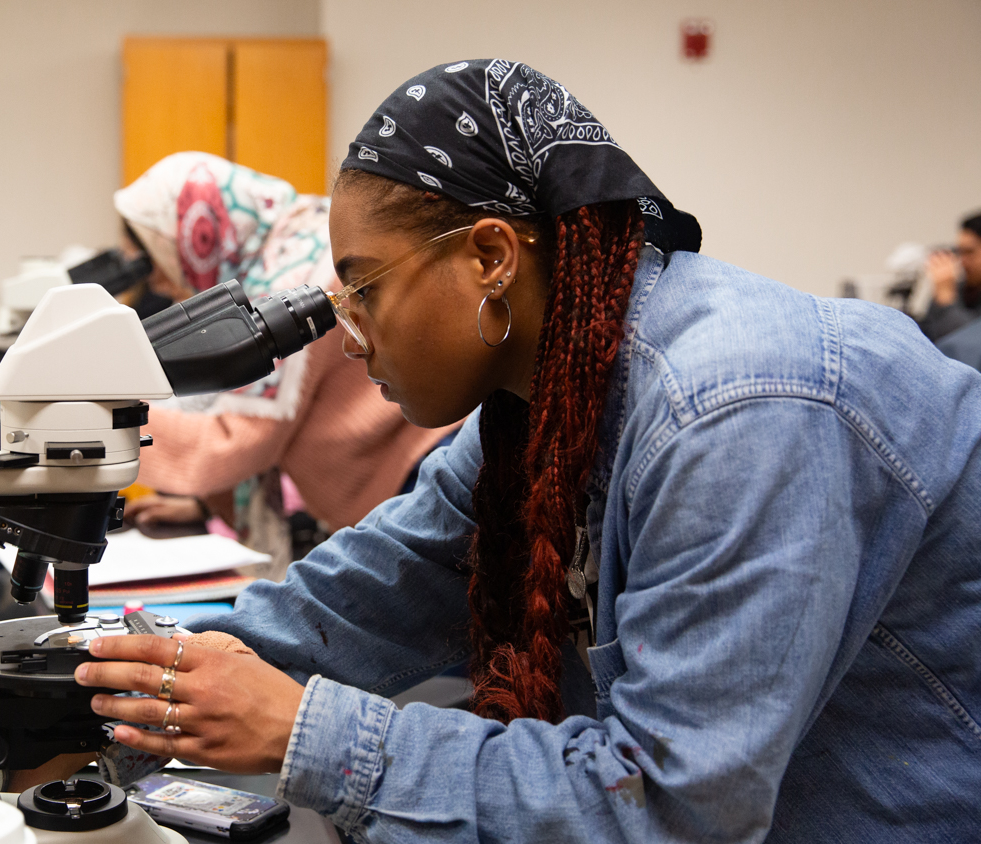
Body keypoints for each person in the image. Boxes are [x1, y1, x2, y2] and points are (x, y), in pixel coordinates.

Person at [75, 61, 981, 841]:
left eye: (362, 291)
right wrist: (118, 683)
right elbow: (379, 585)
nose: (348, 337)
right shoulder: (539, 408)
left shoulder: (733, 414)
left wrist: (301, 732)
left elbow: (669, 807)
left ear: (492, 257)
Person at [114, 152, 456, 571]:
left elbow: (235, 440)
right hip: (401, 472)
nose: (162, 285)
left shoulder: (290, 278)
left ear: (197, 229)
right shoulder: (296, 236)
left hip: (419, 474)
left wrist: (100, 419)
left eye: (157, 262)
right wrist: (205, 507)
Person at [917, 211, 981, 340]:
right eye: (959, 252)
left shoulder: (948, 291)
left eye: (969, 252)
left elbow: (971, 344)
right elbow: (927, 335)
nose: (962, 261)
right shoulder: (959, 287)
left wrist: (946, 298)